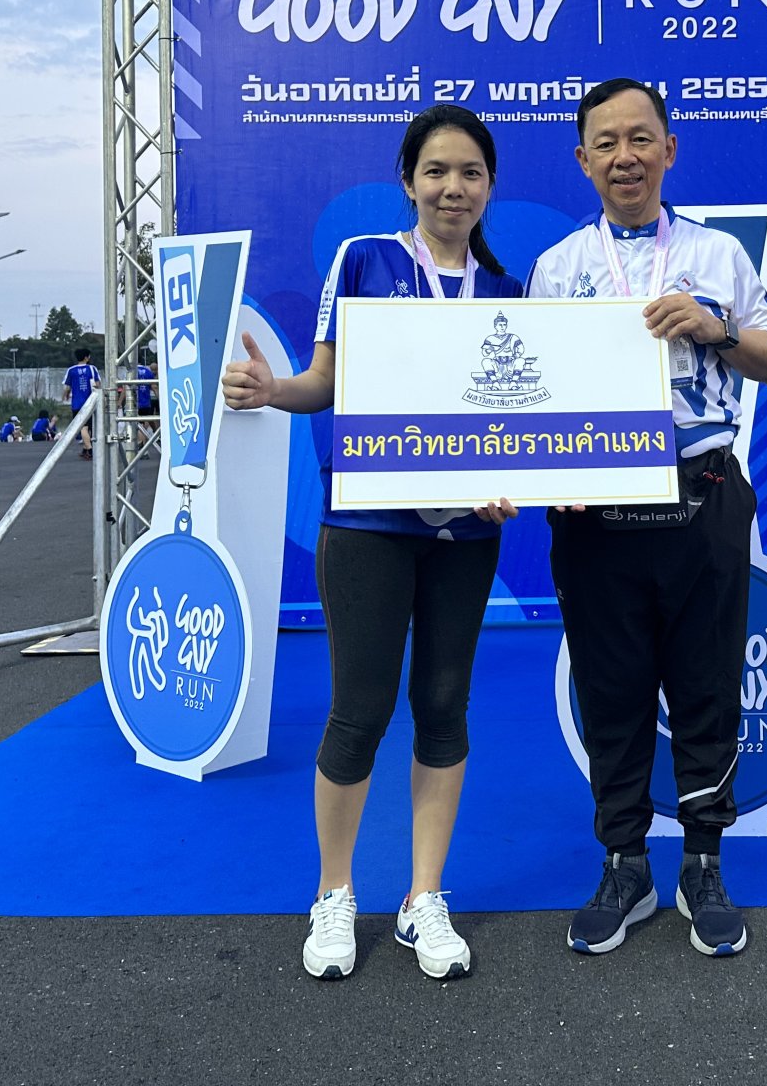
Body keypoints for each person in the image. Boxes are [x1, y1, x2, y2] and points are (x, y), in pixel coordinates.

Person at [222, 104, 521, 982]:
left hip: (466, 532)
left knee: (445, 705)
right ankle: (335, 892)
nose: (453, 188)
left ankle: (424, 897)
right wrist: (273, 390)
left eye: (470, 173)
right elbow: (325, 379)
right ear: (408, 180)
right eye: (437, 171)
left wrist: (515, 479)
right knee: (359, 711)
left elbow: (516, 423)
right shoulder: (365, 260)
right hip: (367, 526)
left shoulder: (507, 292)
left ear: (490, 186)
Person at [526, 78, 767, 961]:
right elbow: (533, 396)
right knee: (612, 689)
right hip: (594, 510)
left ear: (669, 149)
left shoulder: (718, 254)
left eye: (641, 138)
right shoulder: (558, 267)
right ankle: (625, 863)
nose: (625, 157)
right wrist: (547, 473)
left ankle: (704, 862)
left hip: (700, 492)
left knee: (707, 684)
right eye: (606, 143)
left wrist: (716, 329)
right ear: (583, 160)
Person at [65, 347, 100, 459]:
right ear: (86, 357)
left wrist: (66, 396)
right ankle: (89, 449)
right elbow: (97, 384)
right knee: (87, 427)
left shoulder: (71, 370)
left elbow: (67, 387)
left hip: (77, 403)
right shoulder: (92, 369)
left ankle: (87, 449)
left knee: (83, 427)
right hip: (90, 402)